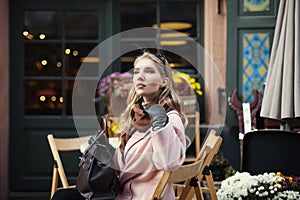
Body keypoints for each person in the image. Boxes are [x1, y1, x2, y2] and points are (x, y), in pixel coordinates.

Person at [51, 51, 187, 200]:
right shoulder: (138, 114)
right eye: (136, 72)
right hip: (120, 192)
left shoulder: (170, 118)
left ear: (164, 82)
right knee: (62, 195)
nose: (140, 76)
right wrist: (105, 150)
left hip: (142, 196)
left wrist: (160, 123)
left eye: (149, 71)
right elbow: (126, 164)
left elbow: (169, 163)